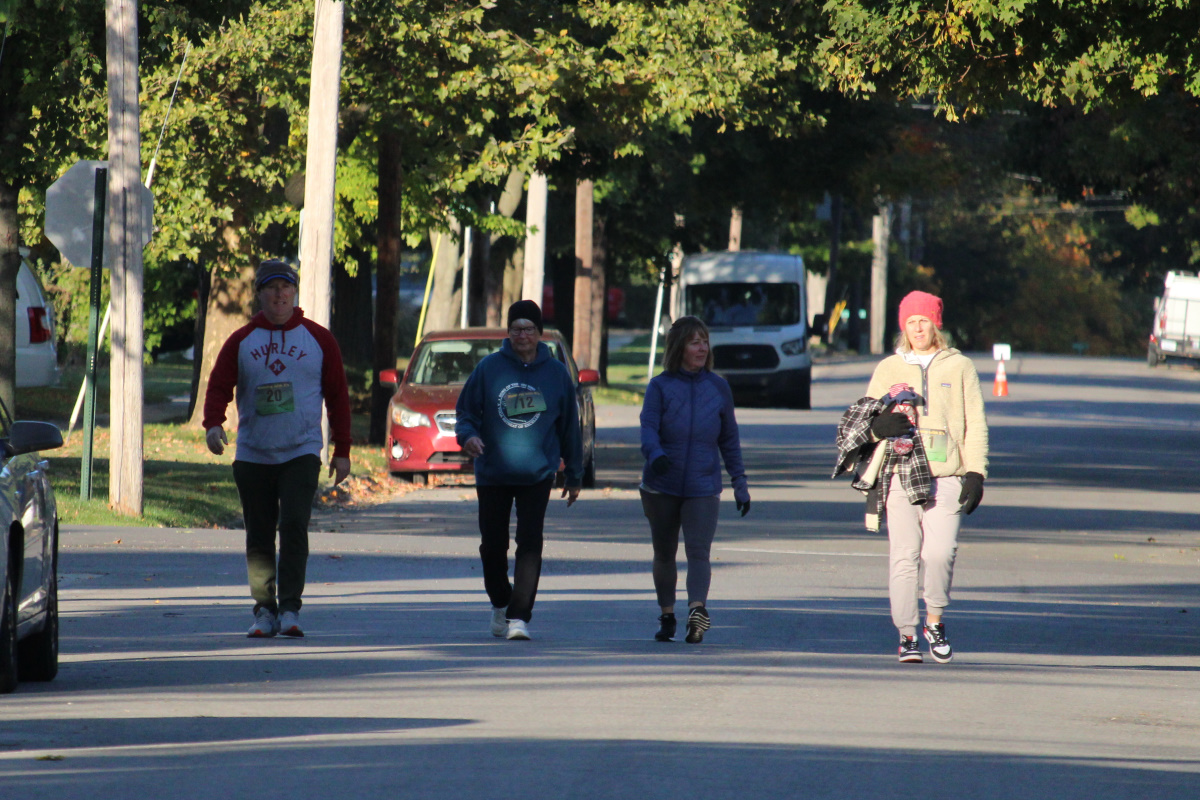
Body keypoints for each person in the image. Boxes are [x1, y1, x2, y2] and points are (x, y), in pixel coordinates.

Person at [834, 290, 988, 664]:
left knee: (939, 552)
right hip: (900, 472)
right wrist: (880, 427)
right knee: (903, 556)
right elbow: (864, 417)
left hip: (946, 473)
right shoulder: (889, 367)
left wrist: (976, 472)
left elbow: (975, 424)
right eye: (911, 322)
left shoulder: (960, 366)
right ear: (903, 326)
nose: (918, 328)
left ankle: (934, 620)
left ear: (936, 323)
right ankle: (906, 635)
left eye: (924, 321)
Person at [202, 259, 352, 639]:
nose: (280, 294)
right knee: (259, 533)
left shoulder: (318, 339)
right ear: (259, 294)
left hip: (301, 450)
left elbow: (338, 397)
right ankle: (264, 610)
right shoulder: (241, 340)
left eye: (286, 286)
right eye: (271, 287)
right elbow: (219, 384)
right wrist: (213, 423)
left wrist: (342, 449)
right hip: (253, 453)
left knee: (294, 526)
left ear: (295, 292)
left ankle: (290, 608)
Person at [455, 300, 582, 641]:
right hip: (493, 472)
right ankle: (501, 602)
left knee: (530, 544)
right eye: (516, 329)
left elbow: (570, 427)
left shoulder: (556, 374)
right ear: (507, 333)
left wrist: (574, 474)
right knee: (492, 546)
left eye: (528, 329)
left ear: (540, 334)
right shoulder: (489, 368)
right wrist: (468, 437)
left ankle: (519, 617)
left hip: (537, 473)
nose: (522, 335)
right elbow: (465, 412)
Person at [639, 315, 750, 644]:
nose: (702, 348)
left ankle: (697, 610)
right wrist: (655, 454)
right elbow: (647, 428)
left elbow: (729, 438)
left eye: (705, 341)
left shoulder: (718, 387)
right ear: (679, 348)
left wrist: (739, 483)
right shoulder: (659, 387)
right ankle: (667, 614)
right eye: (694, 342)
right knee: (664, 552)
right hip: (661, 483)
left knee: (699, 551)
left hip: (703, 484)